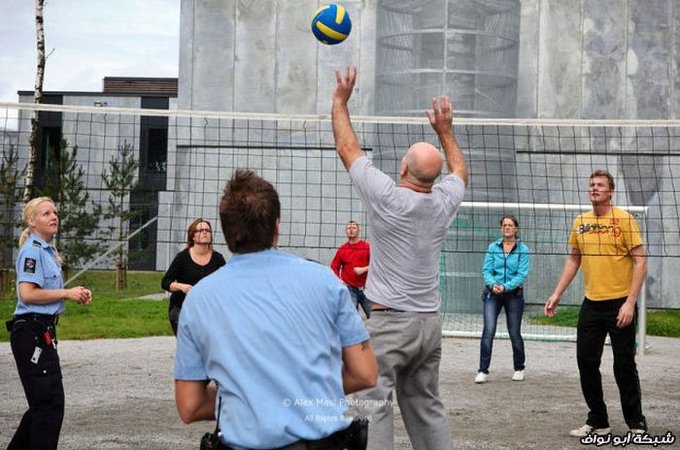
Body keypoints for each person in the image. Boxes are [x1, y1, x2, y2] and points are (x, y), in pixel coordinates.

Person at [174, 169, 378, 449]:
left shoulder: (199, 299)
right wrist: (301, 391)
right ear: (277, 226)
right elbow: (364, 373)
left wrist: (252, 396)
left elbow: (190, 405)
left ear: (224, 231)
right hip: (323, 442)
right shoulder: (325, 281)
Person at [332, 66, 468, 450]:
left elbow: (347, 148)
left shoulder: (387, 197)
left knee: (371, 405)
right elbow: (460, 170)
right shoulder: (443, 202)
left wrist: (340, 101)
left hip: (390, 322)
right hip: (428, 324)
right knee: (426, 406)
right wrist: (445, 131)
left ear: (404, 168)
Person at [544, 170, 648, 437]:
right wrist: (557, 293)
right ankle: (598, 420)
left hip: (620, 303)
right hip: (591, 304)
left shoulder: (624, 220)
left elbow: (640, 261)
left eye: (600, 185)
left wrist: (630, 301)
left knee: (624, 365)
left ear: (611, 191)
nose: (594, 188)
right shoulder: (580, 222)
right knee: (586, 362)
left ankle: (636, 423)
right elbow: (574, 259)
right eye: (591, 184)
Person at [5, 197, 93, 450]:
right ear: (32, 221)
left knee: (44, 405)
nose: (54, 216)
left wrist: (73, 294)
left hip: (40, 331)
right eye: (46, 213)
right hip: (30, 332)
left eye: (55, 212)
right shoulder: (32, 251)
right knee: (49, 405)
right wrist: (66, 293)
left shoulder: (46, 250)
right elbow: (28, 294)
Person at [475, 214, 530, 384]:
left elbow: (522, 274)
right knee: (488, 330)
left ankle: (519, 367)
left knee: (514, 332)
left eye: (510, 225)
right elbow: (486, 270)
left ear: (516, 228)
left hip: (513, 295)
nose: (507, 227)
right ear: (501, 228)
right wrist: (493, 285)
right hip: (493, 294)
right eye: (504, 225)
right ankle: (483, 370)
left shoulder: (523, 249)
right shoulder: (493, 247)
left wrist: (506, 287)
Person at [161, 219, 226, 335]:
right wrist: (181, 286)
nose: (205, 232)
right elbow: (165, 282)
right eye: (201, 230)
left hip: (208, 311)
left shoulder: (218, 259)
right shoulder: (182, 257)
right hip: (182, 309)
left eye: (207, 230)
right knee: (190, 346)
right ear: (193, 236)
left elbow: (226, 284)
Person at [331, 220, 371, 318]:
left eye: (353, 228)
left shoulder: (366, 247)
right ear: (346, 231)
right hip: (350, 289)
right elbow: (334, 266)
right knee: (352, 318)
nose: (351, 230)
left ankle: (374, 333)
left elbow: (377, 264)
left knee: (374, 317)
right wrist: (339, 280)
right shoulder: (343, 249)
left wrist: (364, 269)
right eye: (349, 228)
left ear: (358, 230)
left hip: (367, 288)